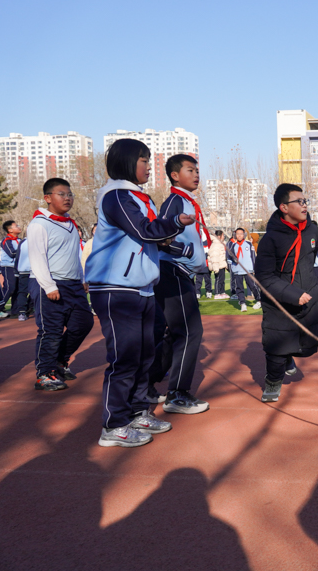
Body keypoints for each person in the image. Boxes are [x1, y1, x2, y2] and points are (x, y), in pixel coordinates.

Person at [85, 139, 194, 446]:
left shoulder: (136, 196)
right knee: (125, 357)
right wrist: (175, 222)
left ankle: (135, 412)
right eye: (143, 160)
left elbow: (149, 236)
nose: (149, 166)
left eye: (148, 160)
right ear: (126, 163)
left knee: (145, 354)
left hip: (142, 287)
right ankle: (113, 425)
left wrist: (180, 245)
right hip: (116, 287)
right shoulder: (117, 195)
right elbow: (145, 230)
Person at [149, 154, 211, 414]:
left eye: (197, 170)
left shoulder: (188, 201)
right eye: (190, 170)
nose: (196, 174)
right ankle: (177, 395)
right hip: (172, 271)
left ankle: (145, 383)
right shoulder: (175, 201)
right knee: (189, 332)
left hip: (180, 273)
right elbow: (157, 234)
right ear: (175, 175)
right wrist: (184, 251)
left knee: (173, 332)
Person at [254, 183, 318, 403]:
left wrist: (311, 287)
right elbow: (264, 277)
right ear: (284, 207)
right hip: (279, 302)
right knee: (276, 349)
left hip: (307, 298)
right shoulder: (270, 239)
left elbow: (312, 261)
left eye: (305, 201)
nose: (305, 205)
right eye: (299, 201)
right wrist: (292, 294)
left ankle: (288, 358)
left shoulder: (312, 230)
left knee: (306, 346)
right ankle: (273, 381)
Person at [29, 179, 95, 391]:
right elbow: (37, 257)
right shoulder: (39, 224)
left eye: (70, 194)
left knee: (84, 323)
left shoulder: (70, 223)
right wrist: (49, 286)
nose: (68, 198)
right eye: (61, 194)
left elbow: (75, 254)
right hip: (50, 282)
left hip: (74, 283)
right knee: (52, 330)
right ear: (48, 198)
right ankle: (44, 374)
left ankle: (59, 362)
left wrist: (82, 277)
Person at [227, 227, 260, 312]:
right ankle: (242, 303)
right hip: (238, 271)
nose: (239, 235)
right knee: (239, 288)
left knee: (253, 285)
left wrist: (255, 268)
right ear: (235, 235)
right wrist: (233, 264)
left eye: (241, 234)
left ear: (244, 235)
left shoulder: (249, 244)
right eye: (237, 234)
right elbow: (229, 257)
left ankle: (259, 300)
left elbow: (253, 257)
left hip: (248, 270)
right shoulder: (233, 246)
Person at [0, 220, 22, 319]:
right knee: (9, 288)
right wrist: (23, 251)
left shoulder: (20, 240)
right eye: (16, 226)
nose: (19, 227)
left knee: (17, 289)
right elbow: (11, 253)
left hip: (18, 267)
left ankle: (15, 311)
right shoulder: (6, 240)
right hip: (8, 267)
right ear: (10, 230)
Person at [13, 234, 31, 320]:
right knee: (26, 291)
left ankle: (23, 311)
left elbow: (17, 257)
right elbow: (17, 256)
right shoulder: (24, 241)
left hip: (25, 270)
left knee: (23, 291)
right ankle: (23, 311)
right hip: (31, 270)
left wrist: (16, 270)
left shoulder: (23, 242)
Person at [208, 230, 228, 299]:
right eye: (223, 235)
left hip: (222, 264)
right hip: (218, 265)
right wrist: (215, 267)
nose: (224, 237)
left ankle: (222, 292)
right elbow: (214, 256)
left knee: (222, 280)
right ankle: (217, 293)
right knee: (218, 280)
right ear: (219, 236)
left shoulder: (221, 244)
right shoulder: (216, 245)